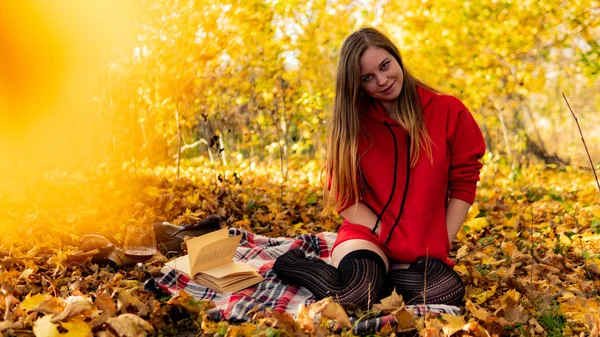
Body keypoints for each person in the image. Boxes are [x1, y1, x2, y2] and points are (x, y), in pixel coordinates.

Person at [273, 27, 485, 309]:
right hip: (369, 235)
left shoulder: (448, 111)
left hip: (422, 242)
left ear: (396, 57)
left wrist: (440, 241)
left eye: (385, 66)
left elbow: (464, 182)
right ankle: (292, 265)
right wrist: (383, 231)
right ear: (358, 85)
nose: (383, 81)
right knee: (356, 294)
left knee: (446, 291)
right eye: (368, 78)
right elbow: (344, 197)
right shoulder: (354, 125)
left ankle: (381, 279)